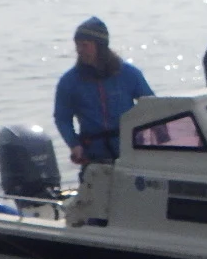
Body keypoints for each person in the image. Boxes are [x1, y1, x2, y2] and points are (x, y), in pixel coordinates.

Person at [53, 17, 155, 165]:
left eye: (85, 45)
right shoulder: (69, 81)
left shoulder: (129, 73)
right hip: (93, 156)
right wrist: (74, 144)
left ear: (100, 46)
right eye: (77, 45)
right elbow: (62, 118)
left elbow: (151, 107)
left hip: (130, 150)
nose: (79, 51)